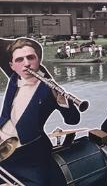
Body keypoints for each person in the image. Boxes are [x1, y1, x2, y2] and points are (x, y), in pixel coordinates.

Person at [0, 38, 81, 185]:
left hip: (29, 153)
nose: (26, 64)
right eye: (19, 60)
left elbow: (73, 120)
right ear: (12, 65)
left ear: (39, 60)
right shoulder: (14, 78)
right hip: (3, 145)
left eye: (31, 58)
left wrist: (63, 102)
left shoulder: (48, 89)